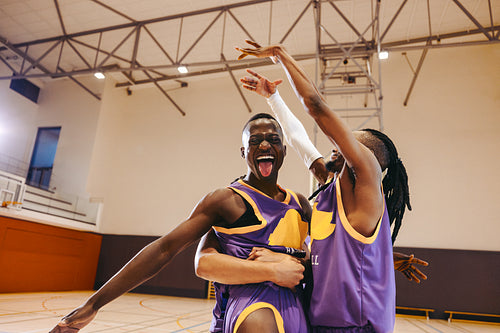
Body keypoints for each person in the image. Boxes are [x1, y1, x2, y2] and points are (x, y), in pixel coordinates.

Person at [49, 113, 310, 333]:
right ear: (244, 152)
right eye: (255, 141)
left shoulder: (300, 202)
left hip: (298, 302)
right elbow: (165, 249)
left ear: (284, 151)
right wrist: (94, 304)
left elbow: (324, 258)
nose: (265, 145)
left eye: (273, 140)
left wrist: (292, 262)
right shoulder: (226, 200)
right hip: (252, 303)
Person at [235, 40, 413, 333]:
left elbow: (315, 107)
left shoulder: (366, 186)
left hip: (354, 327)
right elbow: (299, 140)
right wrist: (273, 98)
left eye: (347, 141)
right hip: (317, 319)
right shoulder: (332, 186)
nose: (336, 143)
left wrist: (281, 55)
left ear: (365, 159)